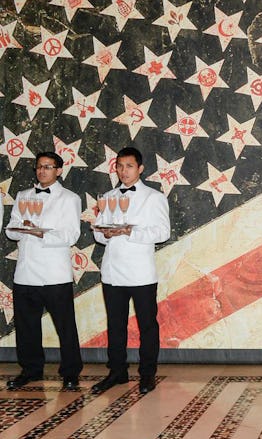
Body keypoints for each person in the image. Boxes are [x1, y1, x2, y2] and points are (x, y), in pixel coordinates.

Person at [91, 146, 170, 394]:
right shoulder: (108, 196)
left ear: (140, 168)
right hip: (113, 271)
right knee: (115, 325)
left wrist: (129, 231)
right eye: (120, 166)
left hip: (141, 272)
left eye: (129, 166)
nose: (124, 171)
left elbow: (163, 233)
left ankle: (147, 373)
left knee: (147, 325)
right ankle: (117, 372)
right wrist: (104, 232)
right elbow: (99, 233)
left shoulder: (154, 197)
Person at [4, 151, 83, 391]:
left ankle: (70, 372)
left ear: (58, 171)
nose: (42, 171)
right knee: (26, 326)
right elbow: (11, 230)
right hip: (26, 271)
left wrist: (41, 232)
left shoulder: (69, 198)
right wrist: (23, 230)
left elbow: (71, 235)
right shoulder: (23, 195)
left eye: (48, 167)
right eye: (39, 167)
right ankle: (30, 369)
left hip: (54, 273)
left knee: (65, 326)